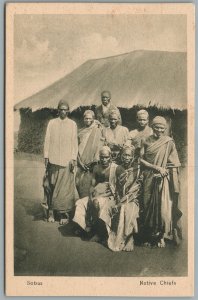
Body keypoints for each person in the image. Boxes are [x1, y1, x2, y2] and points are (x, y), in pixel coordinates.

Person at [139, 116, 182, 247]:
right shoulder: (145, 140)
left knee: (161, 206)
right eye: (157, 127)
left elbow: (174, 164)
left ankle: (161, 236)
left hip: (163, 178)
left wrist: (164, 173)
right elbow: (141, 159)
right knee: (146, 204)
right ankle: (148, 235)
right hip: (148, 175)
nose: (160, 130)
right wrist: (155, 167)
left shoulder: (169, 142)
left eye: (162, 128)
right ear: (152, 127)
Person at [43, 100, 78, 225]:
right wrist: (46, 156)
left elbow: (74, 143)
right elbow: (47, 140)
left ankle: (63, 213)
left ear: (68, 110)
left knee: (65, 189)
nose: (63, 111)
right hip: (53, 160)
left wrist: (73, 158)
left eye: (65, 109)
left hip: (66, 160)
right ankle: (51, 211)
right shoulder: (52, 123)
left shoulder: (72, 124)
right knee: (51, 185)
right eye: (61, 109)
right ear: (58, 110)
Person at [73, 146, 117, 242]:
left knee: (97, 203)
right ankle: (84, 227)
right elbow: (92, 185)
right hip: (96, 193)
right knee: (80, 202)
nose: (104, 159)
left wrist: (101, 196)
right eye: (102, 157)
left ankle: (99, 232)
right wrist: (90, 196)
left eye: (106, 157)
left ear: (110, 157)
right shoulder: (96, 168)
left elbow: (115, 189)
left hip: (108, 196)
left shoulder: (114, 168)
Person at [107, 146, 141, 251]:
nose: (126, 157)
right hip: (119, 198)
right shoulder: (118, 168)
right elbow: (114, 186)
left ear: (133, 156)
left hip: (133, 198)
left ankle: (130, 238)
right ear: (121, 156)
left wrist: (122, 202)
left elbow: (136, 189)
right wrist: (117, 200)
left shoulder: (137, 169)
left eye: (129, 155)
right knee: (109, 206)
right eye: (124, 155)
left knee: (128, 208)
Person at [76, 110, 104, 198]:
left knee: (92, 185)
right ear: (83, 119)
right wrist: (79, 162)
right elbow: (75, 147)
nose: (88, 120)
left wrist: (93, 161)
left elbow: (100, 145)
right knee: (78, 182)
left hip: (93, 163)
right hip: (80, 161)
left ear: (93, 119)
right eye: (86, 118)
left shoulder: (97, 130)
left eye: (90, 118)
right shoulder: (80, 131)